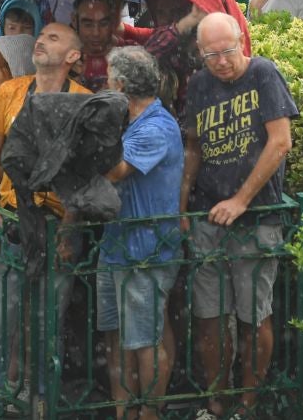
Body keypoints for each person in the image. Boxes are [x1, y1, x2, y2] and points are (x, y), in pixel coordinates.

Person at [182, 13, 295, 420]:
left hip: (257, 216)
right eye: (211, 55)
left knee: (253, 315)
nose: (221, 62)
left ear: (242, 43)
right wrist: (181, 208)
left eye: (227, 51)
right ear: (201, 54)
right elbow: (193, 147)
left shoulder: (263, 74)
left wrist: (242, 199)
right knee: (208, 316)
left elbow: (280, 142)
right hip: (207, 214)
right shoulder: (199, 84)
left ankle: (248, 404)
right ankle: (215, 402)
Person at [0, 24, 90, 405]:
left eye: (54, 38)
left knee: (47, 324)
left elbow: (86, 175)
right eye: (41, 36)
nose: (41, 40)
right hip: (10, 219)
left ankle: (41, 399)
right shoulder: (10, 91)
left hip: (57, 223)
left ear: (73, 57)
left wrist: (70, 229)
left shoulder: (86, 102)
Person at [98, 46, 185, 420]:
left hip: (146, 250)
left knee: (144, 340)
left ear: (121, 84)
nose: (104, 84)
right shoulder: (131, 122)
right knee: (115, 335)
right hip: (117, 245)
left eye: (107, 78)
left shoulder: (156, 127)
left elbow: (115, 171)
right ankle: (123, 411)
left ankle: (149, 412)